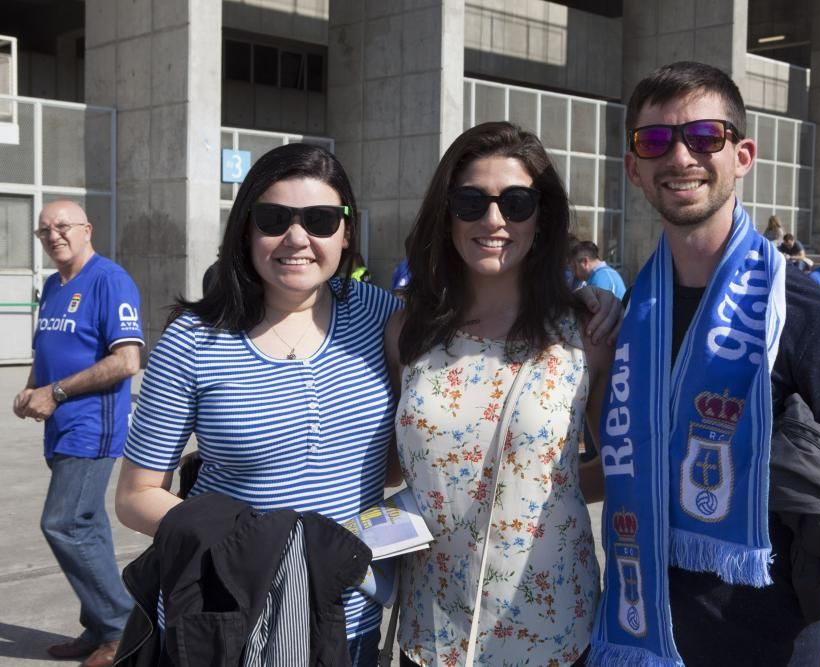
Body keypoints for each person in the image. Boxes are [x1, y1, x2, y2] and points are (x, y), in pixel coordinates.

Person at [590, 61, 820, 667]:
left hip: (774, 646)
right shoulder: (634, 314)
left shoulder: (808, 314)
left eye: (705, 137)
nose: (679, 157)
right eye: (654, 141)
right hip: (641, 636)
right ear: (634, 168)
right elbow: (623, 463)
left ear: (743, 155)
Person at [116, 144, 400, 665]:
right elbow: (135, 496)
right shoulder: (193, 341)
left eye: (319, 219)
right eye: (273, 219)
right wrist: (255, 545)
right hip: (227, 623)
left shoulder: (383, 317)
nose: (297, 238)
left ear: (346, 231)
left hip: (350, 620)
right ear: (246, 229)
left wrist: (589, 307)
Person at [383, 121, 612, 666]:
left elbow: (616, 469)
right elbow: (391, 471)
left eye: (516, 203)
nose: (493, 220)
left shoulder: (587, 333)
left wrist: (531, 489)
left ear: (542, 216)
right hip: (432, 636)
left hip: (556, 631)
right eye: (470, 201)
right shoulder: (405, 332)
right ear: (446, 213)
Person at [12, 200, 142, 667]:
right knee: (86, 526)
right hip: (61, 426)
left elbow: (127, 361)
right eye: (43, 230)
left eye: (62, 226)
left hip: (92, 425)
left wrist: (57, 392)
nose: (53, 236)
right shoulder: (52, 284)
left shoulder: (109, 280)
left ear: (87, 228)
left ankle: (121, 628)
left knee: (63, 522)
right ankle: (97, 625)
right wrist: (31, 389)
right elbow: (49, 344)